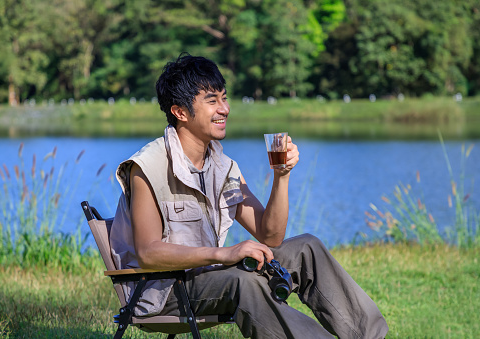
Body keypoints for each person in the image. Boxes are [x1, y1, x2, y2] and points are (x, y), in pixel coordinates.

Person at [110, 53, 388, 338]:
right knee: (245, 281)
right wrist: (226, 254)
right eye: (212, 100)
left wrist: (282, 176)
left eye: (224, 98)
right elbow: (149, 253)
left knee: (307, 247)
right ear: (180, 112)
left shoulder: (223, 166)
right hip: (165, 290)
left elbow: (270, 237)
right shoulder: (147, 166)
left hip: (212, 274)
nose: (225, 109)